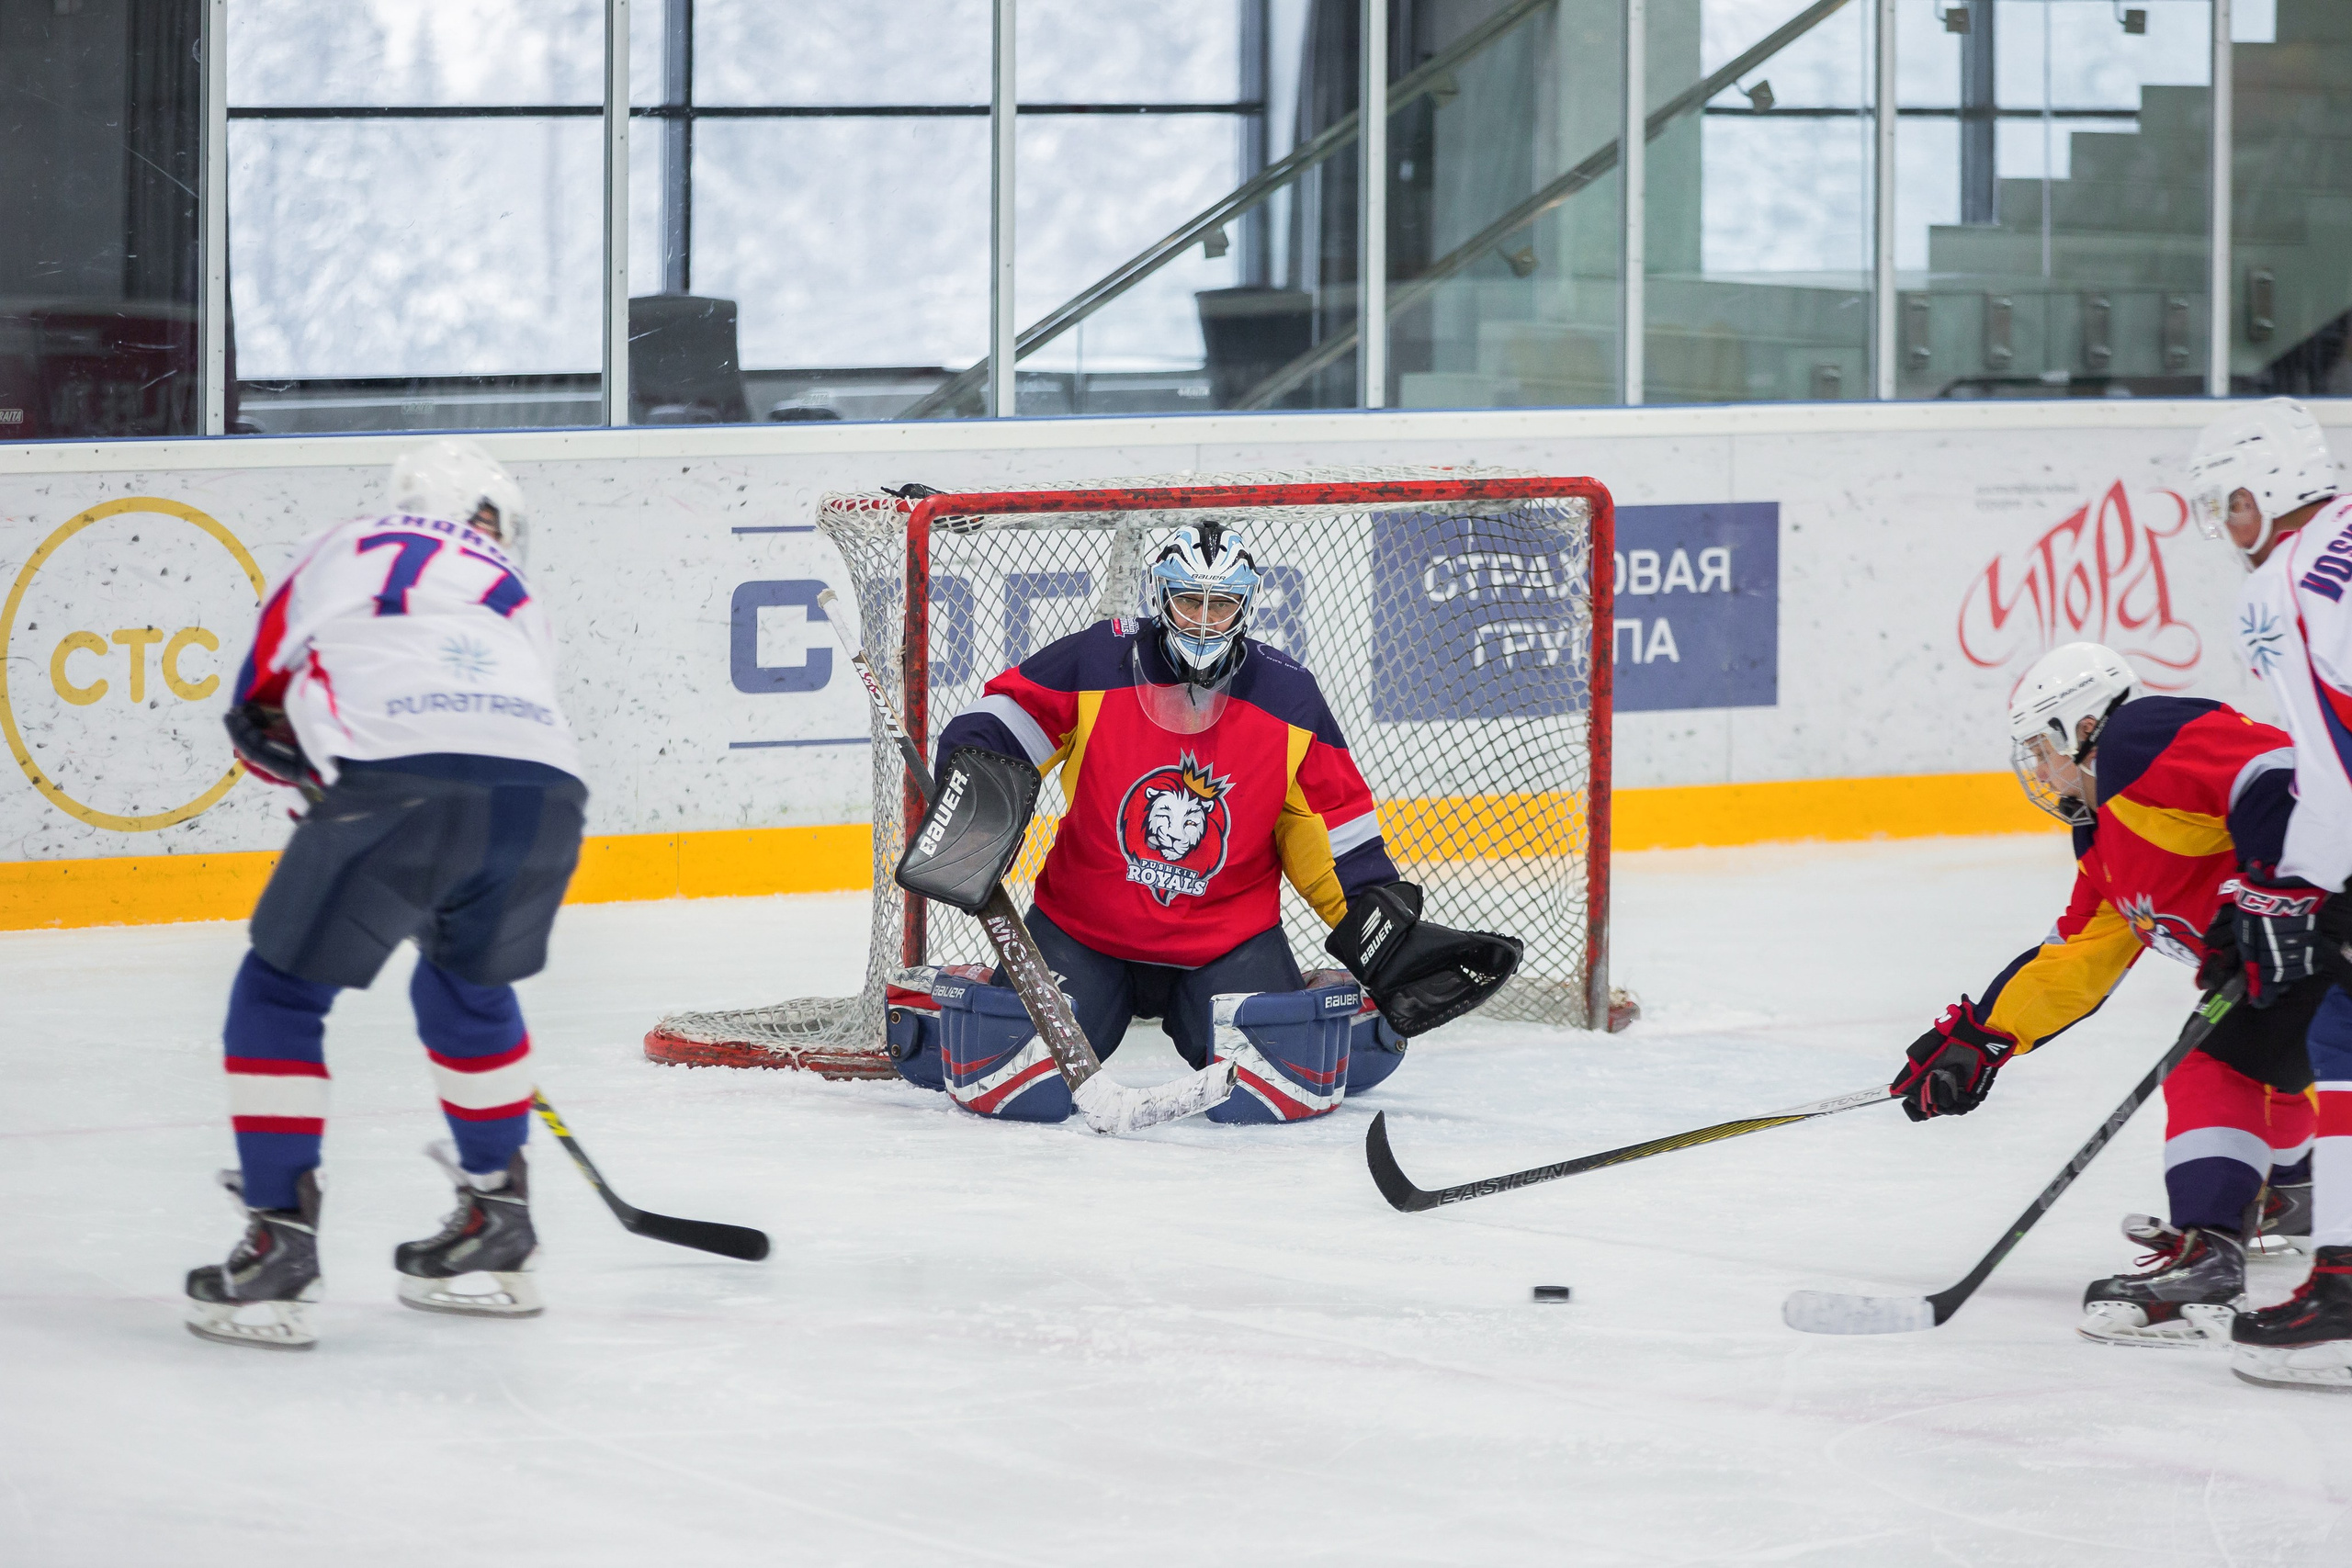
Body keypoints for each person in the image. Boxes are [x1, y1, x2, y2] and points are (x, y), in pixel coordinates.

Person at [902, 519, 1520, 1122]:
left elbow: (1332, 827)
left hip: (1225, 941)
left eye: (1220, 604)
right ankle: (940, 999)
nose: (1203, 618)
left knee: (1281, 1086)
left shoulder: (1289, 696)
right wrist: (977, 785)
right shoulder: (1098, 657)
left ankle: (1341, 1009)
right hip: (1083, 929)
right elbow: (1007, 715)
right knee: (1020, 1081)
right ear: (1161, 597)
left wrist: (1382, 925)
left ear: (1244, 607)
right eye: (1189, 600)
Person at [184, 438, 588, 1350]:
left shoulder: (343, 545)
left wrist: (334, 791)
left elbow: (255, 710)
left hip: (396, 784)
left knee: (280, 989)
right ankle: (500, 1221)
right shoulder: (515, 591)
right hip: (545, 797)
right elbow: (504, 724)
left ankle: (278, 1238)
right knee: (466, 985)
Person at [1888, 641, 2318, 1348]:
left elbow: (2279, 771)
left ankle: (2211, 1251)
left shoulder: (2138, 740)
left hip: (2330, 925)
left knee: (2219, 1064)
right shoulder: (2107, 838)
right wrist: (1982, 1039)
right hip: (2312, 956)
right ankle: (2294, 1188)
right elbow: (2076, 960)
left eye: (2040, 747)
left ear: (2081, 726)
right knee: (2256, 1052)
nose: (2039, 768)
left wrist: (2274, 893)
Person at [2184, 396, 2352, 1391]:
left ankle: (2342, 1293)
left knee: (2338, 1037)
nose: (2227, 531)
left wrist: (2297, 888)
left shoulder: (2286, 584)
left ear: (2271, 491)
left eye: (2230, 506)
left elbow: (2330, 764)